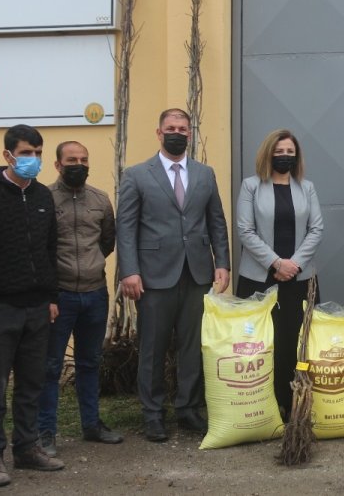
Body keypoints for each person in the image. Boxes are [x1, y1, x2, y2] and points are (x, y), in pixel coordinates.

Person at [117, 109, 231, 442]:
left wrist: (221, 262)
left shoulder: (205, 174)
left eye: (183, 128)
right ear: (159, 132)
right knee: (152, 346)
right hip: (152, 276)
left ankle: (188, 408)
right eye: (171, 128)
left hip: (196, 273)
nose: (177, 133)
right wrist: (130, 271)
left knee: (192, 345)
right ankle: (153, 414)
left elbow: (217, 222)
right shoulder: (137, 175)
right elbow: (126, 228)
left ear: (190, 133)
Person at [0, 124, 64, 487]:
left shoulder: (41, 196)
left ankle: (27, 447)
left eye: (37, 153)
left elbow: (50, 250)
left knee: (31, 383)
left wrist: (51, 297)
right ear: (7, 155)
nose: (32, 160)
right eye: (25, 153)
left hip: (37, 306)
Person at [37, 141, 122, 458]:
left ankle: (92, 425)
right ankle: (45, 431)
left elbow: (107, 242)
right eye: (72, 160)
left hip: (94, 294)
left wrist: (90, 265)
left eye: (84, 159)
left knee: (90, 363)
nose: (79, 164)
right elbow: (40, 247)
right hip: (58, 296)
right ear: (58, 165)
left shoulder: (100, 199)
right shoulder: (44, 198)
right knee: (50, 366)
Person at [237, 129, 324, 420]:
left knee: (297, 341)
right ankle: (265, 407)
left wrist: (294, 264)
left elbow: (316, 229)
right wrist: (276, 263)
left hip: (299, 279)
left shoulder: (306, 188)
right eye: (279, 151)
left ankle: (295, 403)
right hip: (259, 278)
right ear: (268, 153)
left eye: (290, 152)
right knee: (263, 345)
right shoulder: (251, 186)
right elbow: (245, 230)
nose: (285, 156)